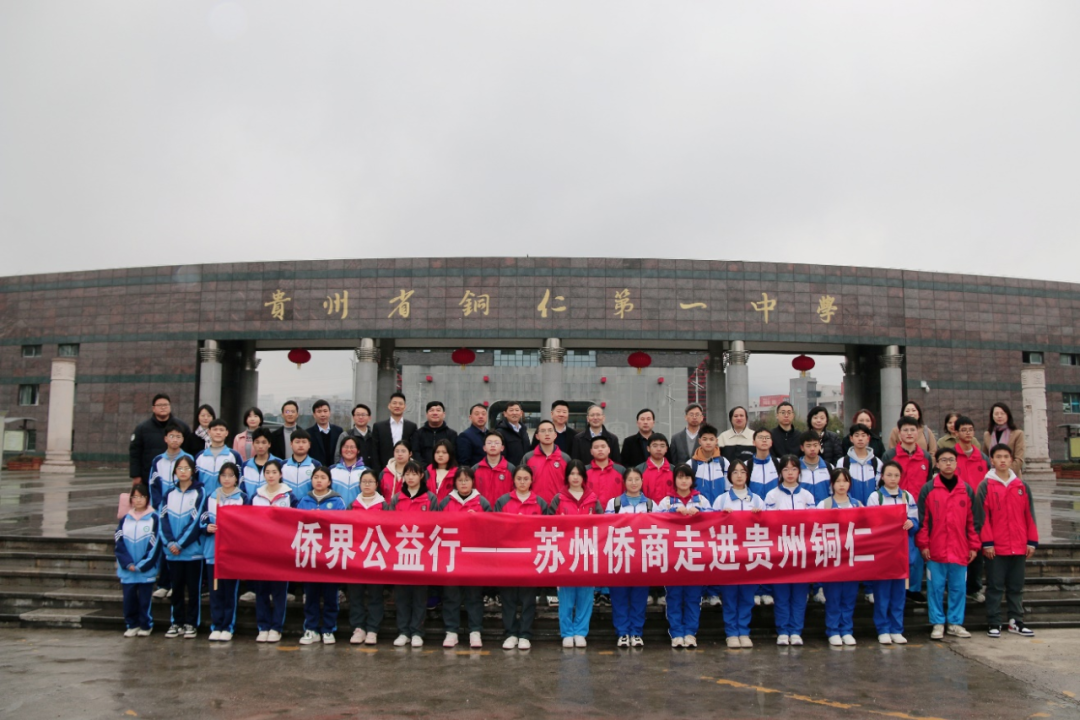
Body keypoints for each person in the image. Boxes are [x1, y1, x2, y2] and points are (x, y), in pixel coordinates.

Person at [917, 446, 980, 641]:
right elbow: (922, 521)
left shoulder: (966, 489)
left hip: (959, 549)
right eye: (943, 460)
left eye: (951, 460)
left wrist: (973, 546)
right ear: (937, 463)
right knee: (935, 588)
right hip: (935, 549)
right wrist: (924, 545)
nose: (948, 463)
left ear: (956, 462)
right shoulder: (928, 489)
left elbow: (973, 521)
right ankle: (937, 623)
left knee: (958, 588)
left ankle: (955, 623)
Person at [977, 444, 1038, 638]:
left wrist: (1031, 541)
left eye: (1006, 456)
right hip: (996, 547)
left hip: (1019, 545)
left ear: (1011, 460)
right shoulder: (985, 485)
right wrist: (987, 543)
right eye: (998, 457)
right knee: (995, 586)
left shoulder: (1021, 486)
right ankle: (994, 622)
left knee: (1016, 586)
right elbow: (982, 518)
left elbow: (1029, 515)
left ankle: (1016, 621)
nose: (1002, 460)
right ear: (992, 460)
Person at [547, 460, 601, 648]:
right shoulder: (558, 498)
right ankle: (567, 632)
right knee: (566, 596)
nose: (575, 477)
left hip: (587, 552)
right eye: (572, 474)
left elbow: (603, 523)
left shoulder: (593, 499)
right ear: (567, 477)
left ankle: (580, 631)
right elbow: (548, 524)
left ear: (584, 477)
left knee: (585, 595)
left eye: (578, 474)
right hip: (565, 553)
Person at [494, 466, 548, 650]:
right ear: (514, 480)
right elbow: (496, 528)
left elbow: (545, 530)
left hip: (530, 558)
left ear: (532, 480)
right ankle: (510, 633)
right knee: (508, 597)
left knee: (528, 598)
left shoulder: (539, 502)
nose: (522, 482)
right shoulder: (503, 501)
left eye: (526, 479)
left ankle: (525, 633)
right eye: (519, 479)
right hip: (508, 557)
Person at [657, 464, 711, 648]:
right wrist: (672, 512)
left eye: (687, 477)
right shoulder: (667, 501)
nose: (683, 481)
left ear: (692, 480)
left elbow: (714, 517)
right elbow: (655, 519)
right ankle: (676, 633)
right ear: (674, 480)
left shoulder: (701, 500)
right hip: (673, 557)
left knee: (693, 597)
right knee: (674, 597)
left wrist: (701, 513)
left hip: (696, 556)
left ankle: (690, 633)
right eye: (680, 477)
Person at [764, 455, 815, 645]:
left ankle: (796, 631)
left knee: (799, 596)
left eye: (794, 469)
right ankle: (783, 631)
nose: (790, 473)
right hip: (780, 552)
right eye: (786, 469)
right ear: (780, 473)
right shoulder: (772, 495)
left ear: (799, 471)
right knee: (782, 595)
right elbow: (769, 524)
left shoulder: (807, 496)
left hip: (802, 552)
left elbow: (813, 523)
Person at [883, 416, 935, 601]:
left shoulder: (926, 457)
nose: (909, 433)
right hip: (894, 510)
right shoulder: (890, 455)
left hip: (917, 511)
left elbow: (929, 484)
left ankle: (913, 588)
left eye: (913, 430)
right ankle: (896, 587)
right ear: (899, 433)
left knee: (917, 549)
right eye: (905, 430)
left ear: (918, 432)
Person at [437, 467, 489, 649]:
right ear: (455, 483)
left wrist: (478, 520)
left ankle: (475, 631)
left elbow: (491, 528)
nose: (464, 483)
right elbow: (436, 527)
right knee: (451, 595)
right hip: (451, 555)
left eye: (467, 480)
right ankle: (451, 631)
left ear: (473, 482)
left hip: (474, 556)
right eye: (460, 480)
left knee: (474, 595)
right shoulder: (445, 502)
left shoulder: (482, 502)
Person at [712, 459, 763, 648]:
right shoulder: (721, 500)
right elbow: (711, 527)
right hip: (729, 555)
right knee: (730, 596)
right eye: (735, 472)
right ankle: (731, 632)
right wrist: (721, 516)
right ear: (729, 476)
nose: (739, 475)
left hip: (750, 556)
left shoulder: (757, 500)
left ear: (747, 475)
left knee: (747, 597)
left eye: (742, 472)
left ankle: (744, 631)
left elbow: (768, 528)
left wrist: (760, 516)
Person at [867, 460, 918, 644]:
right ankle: (882, 629)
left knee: (899, 594)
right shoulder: (875, 497)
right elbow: (871, 523)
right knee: (882, 594)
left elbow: (915, 521)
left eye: (896, 475)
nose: (893, 478)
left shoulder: (907, 496)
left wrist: (912, 523)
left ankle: (897, 629)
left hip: (901, 553)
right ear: (882, 476)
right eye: (889, 475)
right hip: (883, 553)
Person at [296, 467, 348, 645]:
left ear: (329, 481)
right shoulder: (304, 500)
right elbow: (297, 524)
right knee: (310, 594)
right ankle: (311, 628)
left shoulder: (337, 501)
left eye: (323, 477)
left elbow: (342, 525)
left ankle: (328, 629)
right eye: (316, 477)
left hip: (330, 554)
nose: (319, 480)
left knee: (330, 594)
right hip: (310, 553)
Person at [389, 461, 438, 647]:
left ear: (421, 476)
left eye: (414, 474)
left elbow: (436, 525)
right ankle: (403, 631)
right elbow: (390, 524)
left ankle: (417, 631)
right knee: (401, 595)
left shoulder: (430, 498)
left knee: (419, 594)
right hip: (401, 552)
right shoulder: (397, 498)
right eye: (407, 474)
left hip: (422, 552)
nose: (410, 477)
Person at [605, 466, 653, 648]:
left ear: (642, 482)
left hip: (642, 557)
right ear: (624, 482)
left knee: (639, 597)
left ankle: (636, 632)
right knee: (619, 597)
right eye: (630, 480)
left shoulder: (650, 505)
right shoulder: (614, 503)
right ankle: (623, 632)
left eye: (637, 479)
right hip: (619, 556)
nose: (634, 483)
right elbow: (607, 527)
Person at [201, 462, 248, 642]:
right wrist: (207, 527)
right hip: (212, 551)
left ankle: (228, 625)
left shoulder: (242, 498)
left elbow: (248, 524)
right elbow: (202, 519)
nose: (227, 479)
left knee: (229, 592)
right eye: (223, 475)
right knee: (215, 591)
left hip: (232, 554)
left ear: (236, 478)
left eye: (231, 475)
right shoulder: (211, 497)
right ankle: (217, 624)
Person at [160, 456, 205, 640]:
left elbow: (196, 522)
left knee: (193, 590)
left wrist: (180, 543)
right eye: (180, 468)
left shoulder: (200, 492)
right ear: (175, 472)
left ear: (193, 471)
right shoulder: (169, 494)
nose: (183, 472)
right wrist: (170, 543)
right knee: (176, 589)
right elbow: (162, 520)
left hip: (192, 552)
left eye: (187, 468)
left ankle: (191, 623)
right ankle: (176, 622)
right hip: (172, 553)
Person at [817, 468, 862, 646]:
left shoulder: (857, 505)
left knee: (849, 597)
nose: (841, 485)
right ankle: (833, 630)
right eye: (838, 481)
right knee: (833, 597)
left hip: (851, 558)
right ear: (832, 484)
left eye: (845, 481)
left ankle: (847, 630)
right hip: (832, 559)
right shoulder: (824, 504)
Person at [250, 459, 293, 642]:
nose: (271, 475)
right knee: (261, 590)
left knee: (279, 591)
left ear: (280, 474)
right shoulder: (256, 496)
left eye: (274, 472)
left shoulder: (289, 495)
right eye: (267, 472)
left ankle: (276, 627)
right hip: (260, 550)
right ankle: (263, 626)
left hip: (281, 550)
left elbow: (295, 521)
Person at [952, 415, 992, 602]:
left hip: (978, 511)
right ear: (956, 433)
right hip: (956, 510)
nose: (967, 433)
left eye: (970, 430)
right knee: (957, 549)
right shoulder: (951, 457)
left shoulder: (982, 458)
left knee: (976, 549)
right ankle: (955, 587)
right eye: (963, 430)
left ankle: (974, 588)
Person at [348, 469, 388, 645]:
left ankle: (372, 628)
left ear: (377, 484)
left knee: (375, 594)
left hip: (376, 556)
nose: (367, 485)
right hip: (356, 556)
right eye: (364, 481)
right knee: (355, 594)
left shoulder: (383, 505)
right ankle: (358, 627)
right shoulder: (352, 504)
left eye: (370, 482)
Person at [115, 482, 160, 638]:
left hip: (145, 569)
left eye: (141, 497)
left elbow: (155, 544)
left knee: (144, 600)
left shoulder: (154, 518)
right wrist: (127, 563)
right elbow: (119, 543)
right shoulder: (125, 519)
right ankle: (132, 624)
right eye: (135, 497)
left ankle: (146, 625)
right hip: (128, 569)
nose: (138, 500)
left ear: (147, 498)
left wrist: (142, 565)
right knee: (129, 599)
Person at [129, 393, 191, 485]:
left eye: (166, 405)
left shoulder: (182, 427)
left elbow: (189, 450)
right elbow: (135, 453)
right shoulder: (142, 428)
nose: (163, 407)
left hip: (176, 477)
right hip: (149, 477)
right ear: (153, 408)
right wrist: (136, 475)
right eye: (159, 405)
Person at [148, 422, 194, 514]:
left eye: (178, 437)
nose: (175, 440)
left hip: (181, 509)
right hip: (160, 509)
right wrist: (159, 506)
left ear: (182, 439)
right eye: (171, 436)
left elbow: (191, 483)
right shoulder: (158, 460)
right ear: (166, 439)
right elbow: (153, 485)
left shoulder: (188, 459)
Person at [521, 421, 570, 503]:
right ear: (537, 436)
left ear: (555, 435)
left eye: (550, 430)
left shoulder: (565, 458)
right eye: (543, 431)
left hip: (559, 506)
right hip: (534, 505)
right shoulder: (528, 457)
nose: (547, 434)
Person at [836, 423, 882, 507]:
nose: (860, 438)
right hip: (850, 509)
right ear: (851, 438)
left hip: (872, 509)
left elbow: (879, 487)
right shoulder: (843, 462)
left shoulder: (877, 462)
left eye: (863, 435)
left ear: (868, 438)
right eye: (856, 435)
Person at [195, 418, 243, 496]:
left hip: (226, 499)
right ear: (209, 432)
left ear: (226, 433)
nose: (218, 432)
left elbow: (239, 480)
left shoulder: (234, 456)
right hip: (204, 498)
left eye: (221, 430)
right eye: (215, 429)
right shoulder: (200, 456)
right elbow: (195, 480)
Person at [373, 392, 418, 471]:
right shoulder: (378, 427)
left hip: (406, 469)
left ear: (404, 407)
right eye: (394, 403)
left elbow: (414, 449)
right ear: (389, 406)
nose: (397, 406)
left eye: (400, 404)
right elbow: (374, 451)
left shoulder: (411, 427)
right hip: (385, 468)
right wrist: (378, 471)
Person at [690, 424, 730, 507]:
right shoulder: (691, 464)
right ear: (699, 441)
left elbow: (729, 488)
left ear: (716, 441)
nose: (708, 442)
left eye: (711, 439)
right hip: (698, 509)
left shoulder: (724, 463)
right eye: (705, 439)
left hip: (720, 509)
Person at [474, 431, 516, 506]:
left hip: (504, 510)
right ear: (484, 448)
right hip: (481, 511)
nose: (493, 445)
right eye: (489, 443)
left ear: (502, 448)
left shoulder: (511, 469)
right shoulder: (475, 469)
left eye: (496, 443)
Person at [983, 403, 1026, 476]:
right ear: (992, 416)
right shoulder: (987, 435)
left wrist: (1004, 473)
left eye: (1002, 413)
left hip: (1011, 476)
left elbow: (1019, 459)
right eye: (996, 414)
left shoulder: (1018, 434)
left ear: (1007, 415)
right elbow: (985, 458)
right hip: (992, 476)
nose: (999, 416)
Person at [412, 401, 458, 468]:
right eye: (431, 410)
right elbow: (416, 453)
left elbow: (453, 455)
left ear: (444, 414)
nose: (435, 413)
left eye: (438, 410)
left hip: (445, 470)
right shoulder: (418, 434)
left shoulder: (452, 434)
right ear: (427, 414)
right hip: (423, 470)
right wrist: (427, 469)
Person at [586, 435, 626, 509]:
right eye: (596, 447)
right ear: (591, 451)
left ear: (609, 450)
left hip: (616, 512)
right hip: (591, 513)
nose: (600, 449)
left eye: (603, 446)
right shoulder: (584, 471)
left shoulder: (621, 470)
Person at [282, 428, 320, 502]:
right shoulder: (283, 465)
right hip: (286, 505)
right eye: (297, 442)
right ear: (291, 444)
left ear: (309, 445)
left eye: (304, 442)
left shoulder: (316, 465)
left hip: (309, 505)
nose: (301, 445)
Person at [241, 427, 279, 500]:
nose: (260, 446)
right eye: (257, 442)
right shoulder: (245, 465)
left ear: (269, 444)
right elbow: (242, 490)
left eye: (264, 442)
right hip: (250, 505)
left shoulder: (279, 463)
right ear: (253, 444)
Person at [334, 403, 376, 469]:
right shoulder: (345, 435)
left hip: (371, 472)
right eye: (358, 415)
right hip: (351, 471)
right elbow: (338, 456)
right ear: (353, 417)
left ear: (369, 418)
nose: (360, 417)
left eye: (363, 415)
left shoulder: (374, 435)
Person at [331, 435, 367, 508]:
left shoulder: (366, 471)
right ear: (341, 450)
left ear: (358, 450)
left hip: (358, 512)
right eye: (346, 447)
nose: (349, 450)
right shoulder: (332, 470)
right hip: (336, 512)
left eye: (352, 447)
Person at [305, 399, 343, 467]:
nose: (322, 414)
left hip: (335, 469)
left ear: (329, 413)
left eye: (325, 411)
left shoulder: (338, 431)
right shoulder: (308, 433)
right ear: (314, 414)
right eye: (319, 412)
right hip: (316, 469)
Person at [798, 430, 833, 505]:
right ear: (802, 448)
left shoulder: (829, 467)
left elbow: (833, 492)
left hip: (824, 509)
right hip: (803, 510)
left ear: (820, 446)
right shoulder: (796, 469)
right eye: (808, 446)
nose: (812, 449)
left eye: (815, 445)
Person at [638, 434, 673, 503]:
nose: (659, 449)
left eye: (662, 446)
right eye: (655, 446)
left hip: (669, 508)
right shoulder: (639, 470)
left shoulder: (674, 470)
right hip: (646, 508)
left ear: (666, 449)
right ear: (648, 448)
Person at [496, 401, 531, 466]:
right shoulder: (500, 432)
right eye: (511, 410)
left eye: (517, 410)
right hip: (509, 469)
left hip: (525, 469)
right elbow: (500, 455)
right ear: (505, 414)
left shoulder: (523, 430)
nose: (514, 413)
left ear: (521, 413)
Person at [456, 403, 490, 468]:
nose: (480, 416)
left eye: (483, 414)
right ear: (470, 417)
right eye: (477, 414)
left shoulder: (491, 434)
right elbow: (464, 462)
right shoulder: (465, 436)